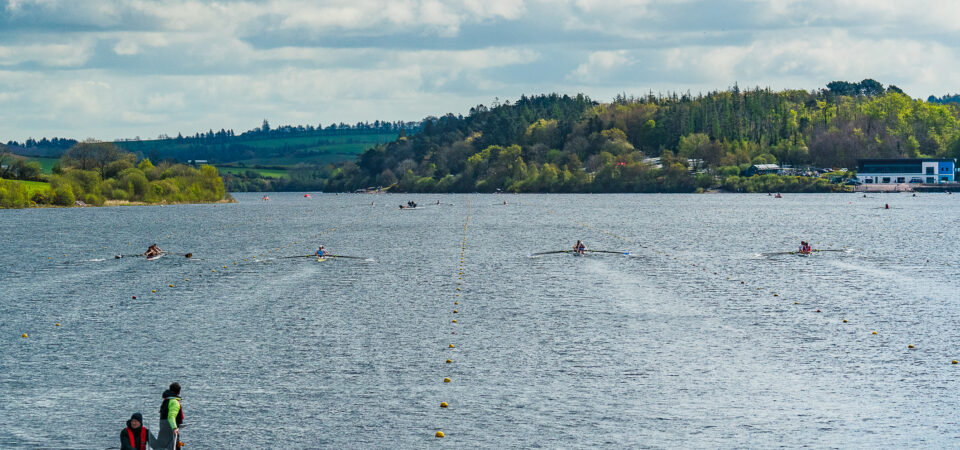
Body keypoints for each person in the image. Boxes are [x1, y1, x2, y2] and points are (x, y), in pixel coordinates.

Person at [154, 382, 184, 450]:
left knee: (161, 447)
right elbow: (171, 416)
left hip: (163, 430)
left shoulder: (166, 400)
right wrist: (174, 428)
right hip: (171, 430)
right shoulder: (174, 402)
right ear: (179, 391)